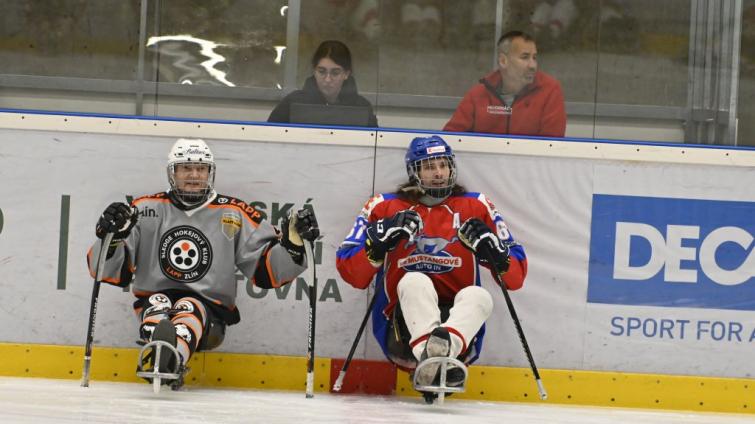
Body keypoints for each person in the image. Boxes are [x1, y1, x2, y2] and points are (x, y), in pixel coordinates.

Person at [86, 138, 319, 388]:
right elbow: (108, 271)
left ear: (211, 172)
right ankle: (162, 350)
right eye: (186, 168)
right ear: (172, 173)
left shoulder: (234, 212)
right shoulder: (143, 209)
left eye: (201, 168)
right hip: (153, 297)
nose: (195, 175)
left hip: (210, 309)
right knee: (157, 303)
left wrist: (293, 247)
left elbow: (266, 271)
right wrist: (111, 238)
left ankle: (169, 358)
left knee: (189, 306)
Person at [335, 135, 527, 400]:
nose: (438, 173)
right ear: (414, 172)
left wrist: (496, 252)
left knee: (479, 296)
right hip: (400, 329)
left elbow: (515, 279)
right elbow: (352, 275)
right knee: (415, 281)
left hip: (459, 328)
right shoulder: (384, 206)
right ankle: (437, 359)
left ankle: (433, 361)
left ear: (452, 167)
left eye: (443, 164)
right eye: (428, 166)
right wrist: (376, 246)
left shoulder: (476, 206)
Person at [443, 30, 566, 137]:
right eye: (525, 57)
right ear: (503, 61)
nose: (532, 65)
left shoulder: (550, 90)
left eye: (534, 58)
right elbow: (451, 137)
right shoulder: (478, 94)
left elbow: (552, 146)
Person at [267, 40, 378, 126]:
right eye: (321, 72)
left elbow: (375, 145)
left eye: (335, 73)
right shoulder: (292, 102)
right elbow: (269, 136)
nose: (327, 79)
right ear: (314, 71)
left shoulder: (362, 107)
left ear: (346, 74)